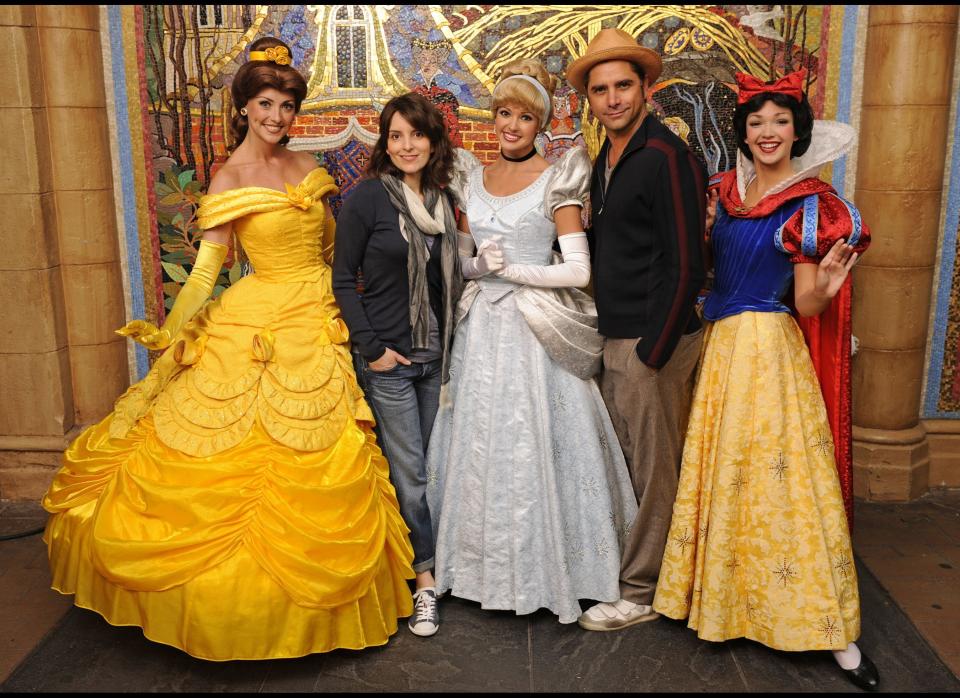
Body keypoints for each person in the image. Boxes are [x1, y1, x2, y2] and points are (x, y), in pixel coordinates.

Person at [41, 37, 415, 661]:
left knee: (333, 452)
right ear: (243, 108)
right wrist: (169, 333)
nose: (278, 117)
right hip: (257, 323)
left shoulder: (305, 166)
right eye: (266, 104)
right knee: (233, 449)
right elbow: (208, 269)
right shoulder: (229, 177)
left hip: (319, 319)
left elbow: (331, 255)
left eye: (288, 105)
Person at [651, 69, 879, 691]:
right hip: (721, 346)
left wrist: (828, 286)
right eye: (756, 123)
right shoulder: (724, 191)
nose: (768, 131)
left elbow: (805, 304)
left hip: (769, 350)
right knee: (724, 471)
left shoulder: (808, 206)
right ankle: (723, 602)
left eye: (780, 121)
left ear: (797, 131)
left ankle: (826, 627)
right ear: (743, 134)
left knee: (784, 482)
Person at [424, 59, 638, 624]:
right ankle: (474, 569)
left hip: (534, 327)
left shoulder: (558, 178)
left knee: (537, 439)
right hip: (482, 327)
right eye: (502, 114)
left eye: (523, 116)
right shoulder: (473, 177)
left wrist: (513, 271)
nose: (511, 125)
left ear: (539, 122)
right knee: (477, 441)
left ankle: (553, 570)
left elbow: (576, 271)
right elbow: (463, 262)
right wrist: (476, 267)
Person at [565, 28, 707, 630]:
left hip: (654, 341)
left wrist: (654, 348)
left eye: (624, 85)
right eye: (601, 90)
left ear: (647, 89)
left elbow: (687, 260)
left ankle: (644, 592)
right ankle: (636, 574)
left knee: (654, 471)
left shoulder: (669, 157)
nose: (613, 98)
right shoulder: (608, 160)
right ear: (590, 100)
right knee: (629, 463)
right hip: (616, 335)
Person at [332, 92, 462, 638]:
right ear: (385, 144)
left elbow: (451, 277)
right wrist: (371, 347)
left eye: (416, 134)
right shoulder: (366, 199)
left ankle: (445, 566)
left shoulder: (442, 197)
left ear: (432, 140)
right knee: (409, 477)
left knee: (437, 470)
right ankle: (424, 582)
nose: (407, 145)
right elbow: (342, 279)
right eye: (396, 136)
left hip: (437, 359)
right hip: (390, 361)